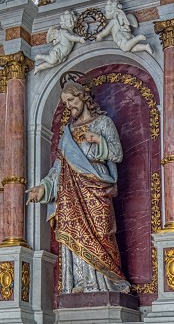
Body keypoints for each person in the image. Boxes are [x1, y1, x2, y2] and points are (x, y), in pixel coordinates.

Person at [27, 81, 130, 294]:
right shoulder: (68, 133)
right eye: (65, 103)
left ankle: (107, 284)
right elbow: (58, 168)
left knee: (102, 233)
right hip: (70, 193)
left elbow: (117, 154)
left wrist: (98, 140)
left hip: (97, 187)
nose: (69, 106)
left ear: (84, 97)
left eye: (72, 100)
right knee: (74, 234)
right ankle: (82, 284)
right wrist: (43, 188)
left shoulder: (103, 123)